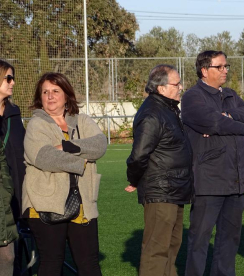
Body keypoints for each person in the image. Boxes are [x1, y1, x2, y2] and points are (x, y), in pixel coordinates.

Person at [181, 50, 244, 276]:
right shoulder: (192, 97)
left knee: (229, 241)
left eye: (226, 66)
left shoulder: (230, 95)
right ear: (204, 71)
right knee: (199, 241)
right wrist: (241, 126)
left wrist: (229, 117)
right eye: (220, 67)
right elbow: (212, 122)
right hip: (208, 182)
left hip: (236, 181)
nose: (225, 70)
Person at [22, 72, 107, 275]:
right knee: (52, 263)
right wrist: (81, 160)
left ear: (66, 95)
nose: (50, 96)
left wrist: (67, 146)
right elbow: (45, 157)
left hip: (83, 203)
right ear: (39, 98)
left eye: (55, 91)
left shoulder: (82, 121)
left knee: (90, 264)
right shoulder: (36, 124)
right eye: (45, 92)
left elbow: (100, 145)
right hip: (44, 203)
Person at [125, 65, 193, 276]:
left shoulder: (167, 109)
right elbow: (138, 156)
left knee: (171, 246)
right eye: (176, 83)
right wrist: (134, 180)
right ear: (161, 88)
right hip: (160, 191)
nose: (181, 87)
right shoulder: (152, 114)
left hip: (174, 190)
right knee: (156, 250)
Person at [0, 60, 25, 276]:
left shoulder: (14, 115)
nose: (13, 83)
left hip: (12, 197)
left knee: (10, 256)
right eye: (8, 78)